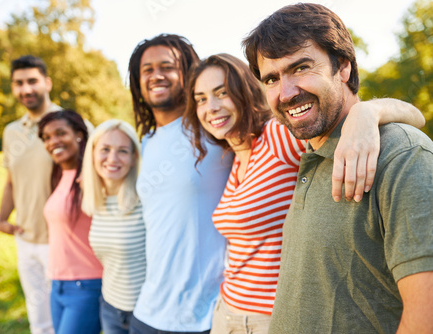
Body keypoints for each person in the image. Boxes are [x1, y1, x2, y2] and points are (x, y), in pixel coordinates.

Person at [183, 53, 425, 333]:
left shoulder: (277, 137)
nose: (210, 107)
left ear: (246, 91)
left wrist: (367, 113)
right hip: (226, 311)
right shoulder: (231, 157)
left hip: (267, 319)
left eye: (221, 93)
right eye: (201, 98)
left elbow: (415, 115)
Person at [243, 3, 433, 333]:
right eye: (272, 78)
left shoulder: (401, 154)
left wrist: (368, 112)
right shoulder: (307, 155)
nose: (286, 93)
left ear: (343, 66)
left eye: (301, 68)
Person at [127, 34, 233, 333]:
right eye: (146, 69)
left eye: (166, 66)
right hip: (148, 313)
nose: (155, 75)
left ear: (188, 73)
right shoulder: (145, 142)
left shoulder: (215, 130)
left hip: (205, 316)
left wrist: (370, 112)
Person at [0, 55, 61, 334]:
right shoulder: (11, 132)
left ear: (47, 83)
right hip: (25, 238)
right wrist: (2, 218)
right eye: (18, 83)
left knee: (67, 322)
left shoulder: (69, 124)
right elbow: (12, 180)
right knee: (39, 320)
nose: (26, 89)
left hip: (61, 241)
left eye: (32, 81)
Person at [38, 110, 103, 334]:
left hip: (87, 284)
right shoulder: (60, 175)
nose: (52, 141)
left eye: (60, 133)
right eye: (46, 137)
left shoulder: (94, 176)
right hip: (58, 283)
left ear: (78, 135)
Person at [81, 119, 145, 334]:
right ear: (92, 154)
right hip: (110, 306)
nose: (112, 158)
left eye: (123, 151)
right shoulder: (97, 201)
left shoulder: (145, 200)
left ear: (135, 157)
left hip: (145, 312)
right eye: (105, 149)